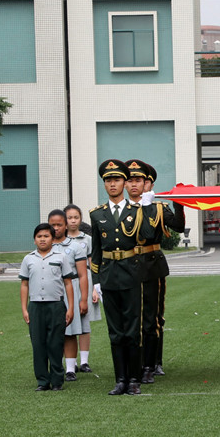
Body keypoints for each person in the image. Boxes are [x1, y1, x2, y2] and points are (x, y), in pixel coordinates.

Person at [90, 159, 152, 395]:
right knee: (115, 331)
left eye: (116, 180)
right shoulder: (97, 214)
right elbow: (96, 251)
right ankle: (120, 379)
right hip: (108, 276)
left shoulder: (136, 211)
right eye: (108, 180)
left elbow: (147, 235)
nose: (112, 184)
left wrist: (147, 208)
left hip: (131, 274)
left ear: (124, 183)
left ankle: (134, 379)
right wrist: (96, 282)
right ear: (104, 184)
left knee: (132, 330)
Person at [124, 159, 186, 382]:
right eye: (130, 180)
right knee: (132, 317)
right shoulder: (120, 208)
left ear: (147, 184)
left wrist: (178, 202)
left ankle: (153, 362)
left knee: (153, 318)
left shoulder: (158, 207)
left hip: (152, 265)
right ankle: (136, 362)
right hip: (128, 266)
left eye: (139, 180)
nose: (134, 184)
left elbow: (178, 226)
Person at [19, 223, 75, 391]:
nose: (42, 239)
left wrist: (70, 308)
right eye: (39, 236)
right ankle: (42, 381)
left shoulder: (61, 257)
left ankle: (57, 380)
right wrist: (24, 309)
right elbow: (24, 285)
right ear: (34, 240)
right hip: (35, 306)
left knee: (56, 343)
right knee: (38, 344)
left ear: (52, 239)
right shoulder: (28, 259)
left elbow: (68, 283)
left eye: (46, 236)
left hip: (56, 305)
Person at [48, 209, 90, 381]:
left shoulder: (74, 247)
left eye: (59, 225)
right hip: (51, 292)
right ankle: (55, 366)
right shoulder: (45, 245)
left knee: (70, 331)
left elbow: (82, 275)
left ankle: (71, 369)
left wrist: (84, 299)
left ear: (65, 225)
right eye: (52, 225)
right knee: (52, 332)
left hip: (70, 290)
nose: (56, 228)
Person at [64, 204, 101, 372]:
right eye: (70, 217)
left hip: (85, 282)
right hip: (67, 283)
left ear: (80, 219)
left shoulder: (87, 239)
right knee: (67, 324)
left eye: (76, 217)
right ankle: (70, 362)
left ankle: (84, 361)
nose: (73, 221)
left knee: (85, 323)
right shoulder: (60, 240)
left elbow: (93, 264)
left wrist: (94, 289)